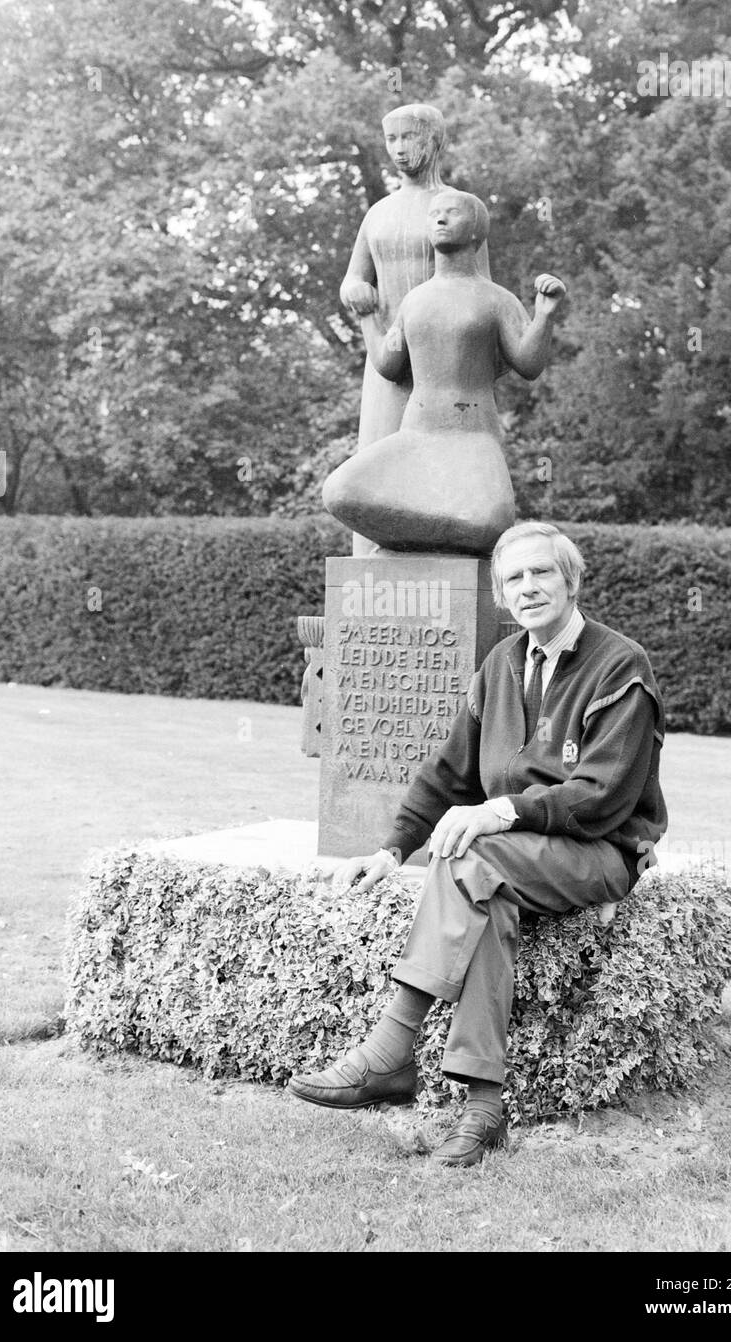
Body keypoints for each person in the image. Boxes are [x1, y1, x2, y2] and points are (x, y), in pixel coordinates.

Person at [289, 521, 668, 1166]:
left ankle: (391, 1045)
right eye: (514, 578)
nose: (529, 588)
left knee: (473, 851)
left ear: (570, 580)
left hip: (600, 851)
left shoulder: (620, 663)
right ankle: (483, 1106)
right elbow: (449, 771)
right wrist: (390, 849)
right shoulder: (500, 664)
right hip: (511, 862)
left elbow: (603, 794)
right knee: (483, 889)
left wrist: (502, 810)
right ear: (500, 595)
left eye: (542, 572)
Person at [323, 189, 566, 555]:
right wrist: (367, 317)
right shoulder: (415, 300)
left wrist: (545, 315)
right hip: (417, 433)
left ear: (475, 230)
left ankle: (421, 544)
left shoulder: (495, 299)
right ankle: (422, 548)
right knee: (341, 492)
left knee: (490, 521)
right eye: (435, 213)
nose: (439, 219)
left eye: (451, 212)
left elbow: (528, 364)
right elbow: (388, 365)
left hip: (473, 436)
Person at [339, 104, 491, 555]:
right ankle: (370, 575)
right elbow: (354, 276)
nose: (400, 149)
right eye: (392, 140)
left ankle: (447, 561)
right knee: (376, 459)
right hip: (384, 358)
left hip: (444, 363)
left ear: (435, 140)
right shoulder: (378, 213)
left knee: (448, 460)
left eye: (410, 137)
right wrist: (355, 291)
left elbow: (479, 286)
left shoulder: (457, 209)